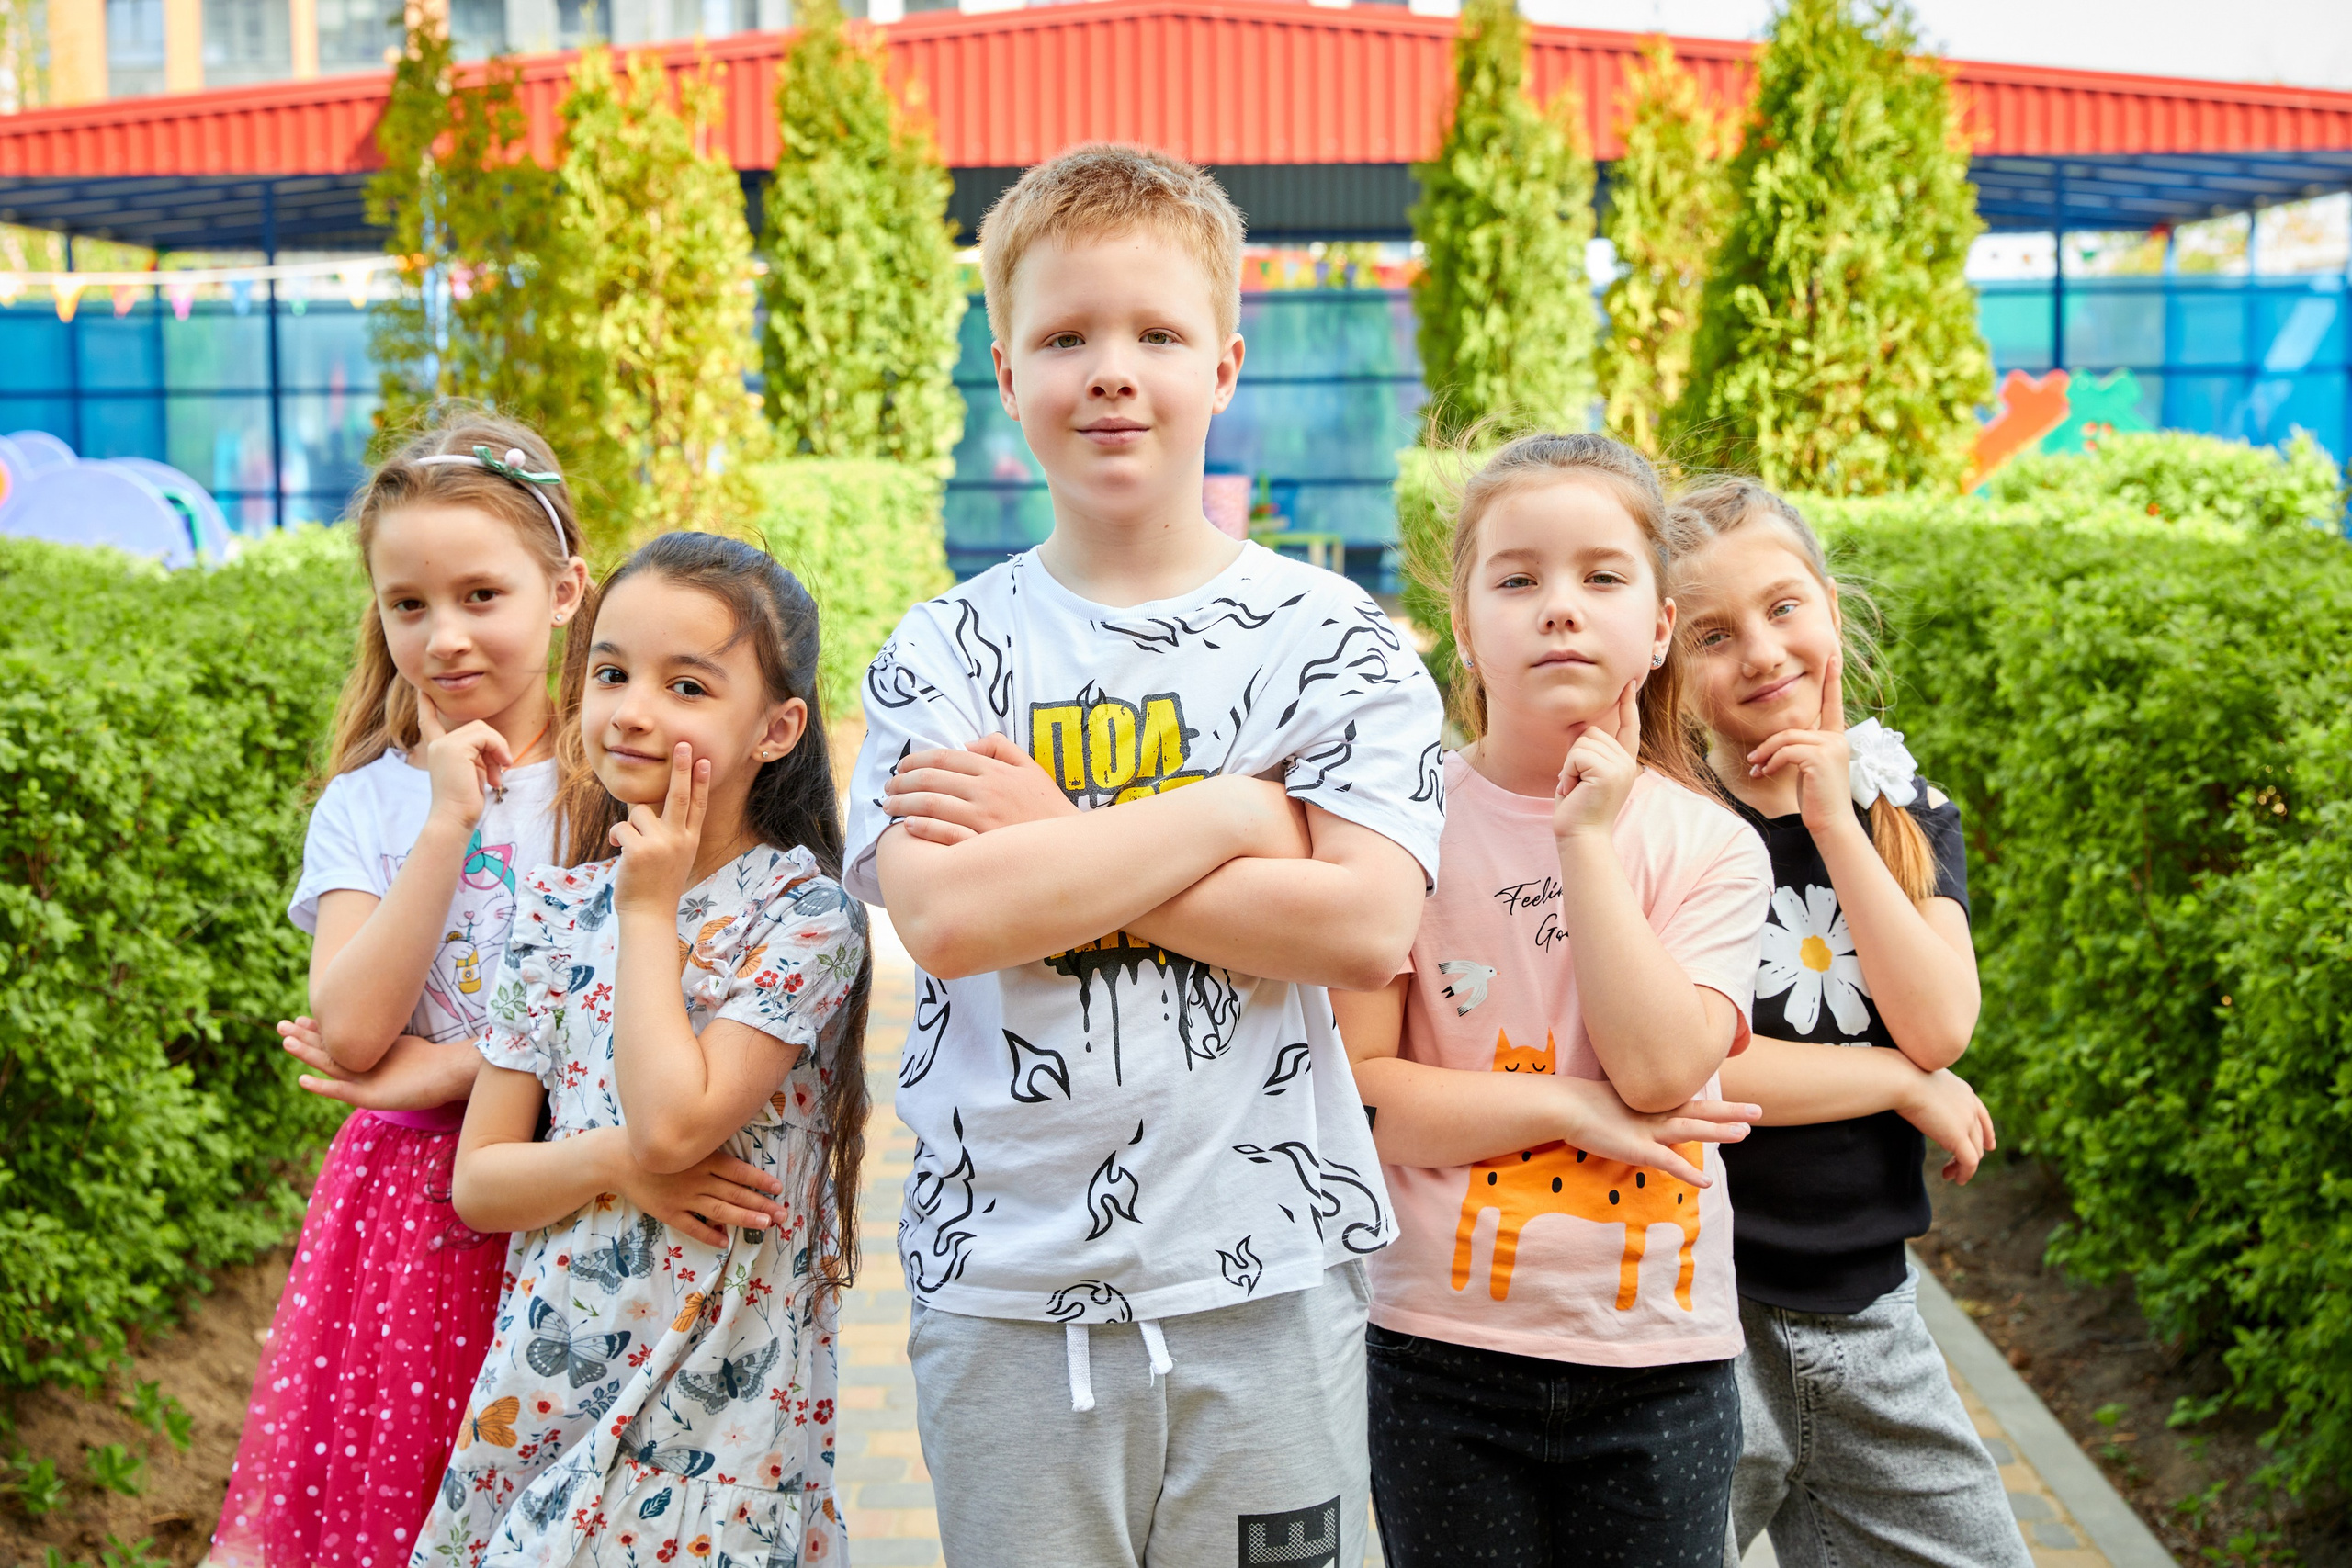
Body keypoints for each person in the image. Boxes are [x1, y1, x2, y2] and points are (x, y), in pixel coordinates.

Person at [845, 143, 1445, 1568]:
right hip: (1006, 1288)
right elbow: (946, 917)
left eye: (1157, 334)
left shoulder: (1336, 643)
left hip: (1269, 1280)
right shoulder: (943, 652)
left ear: (1224, 364)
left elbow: (1364, 926)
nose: (1111, 371)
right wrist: (1239, 816)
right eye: (1065, 336)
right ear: (1004, 373)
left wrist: (1057, 847)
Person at [1335, 434, 1771, 1568]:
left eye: (1602, 576)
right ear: (1466, 623)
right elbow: (1372, 1100)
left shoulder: (1712, 849)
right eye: (1517, 579)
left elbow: (1662, 1071)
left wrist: (1585, 834)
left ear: (1662, 625)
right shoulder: (1394, 827)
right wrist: (1573, 1115)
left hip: (1660, 1365)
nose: (1560, 609)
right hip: (1439, 1354)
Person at [411, 533, 869, 1568]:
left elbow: (674, 1125)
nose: (632, 709)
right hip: (550, 1387)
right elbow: (482, 1183)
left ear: (776, 728)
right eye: (611, 672)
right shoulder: (553, 908)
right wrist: (613, 1165)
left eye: (688, 685)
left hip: (720, 1409)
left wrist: (649, 911)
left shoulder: (803, 917)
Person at [211, 409, 594, 1568]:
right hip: (412, 1220)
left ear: (565, 591)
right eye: (407, 605)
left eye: (483, 595)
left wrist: (454, 1063)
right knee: (411, 1504)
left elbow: (647, 1000)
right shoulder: (371, 806)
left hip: (582, 1180)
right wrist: (446, 819)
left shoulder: (608, 789)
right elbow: (357, 1027)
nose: (444, 637)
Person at [1671, 479, 2030, 1568]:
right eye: (1712, 634)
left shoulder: (1899, 804)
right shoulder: (1671, 828)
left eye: (1785, 609)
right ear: (1666, 667)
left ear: (1829, 607)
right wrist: (1894, 1086)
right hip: (1698, 1327)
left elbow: (1940, 1025)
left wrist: (1833, 815)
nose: (1762, 653)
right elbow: (1699, 1064)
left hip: (1871, 1319)